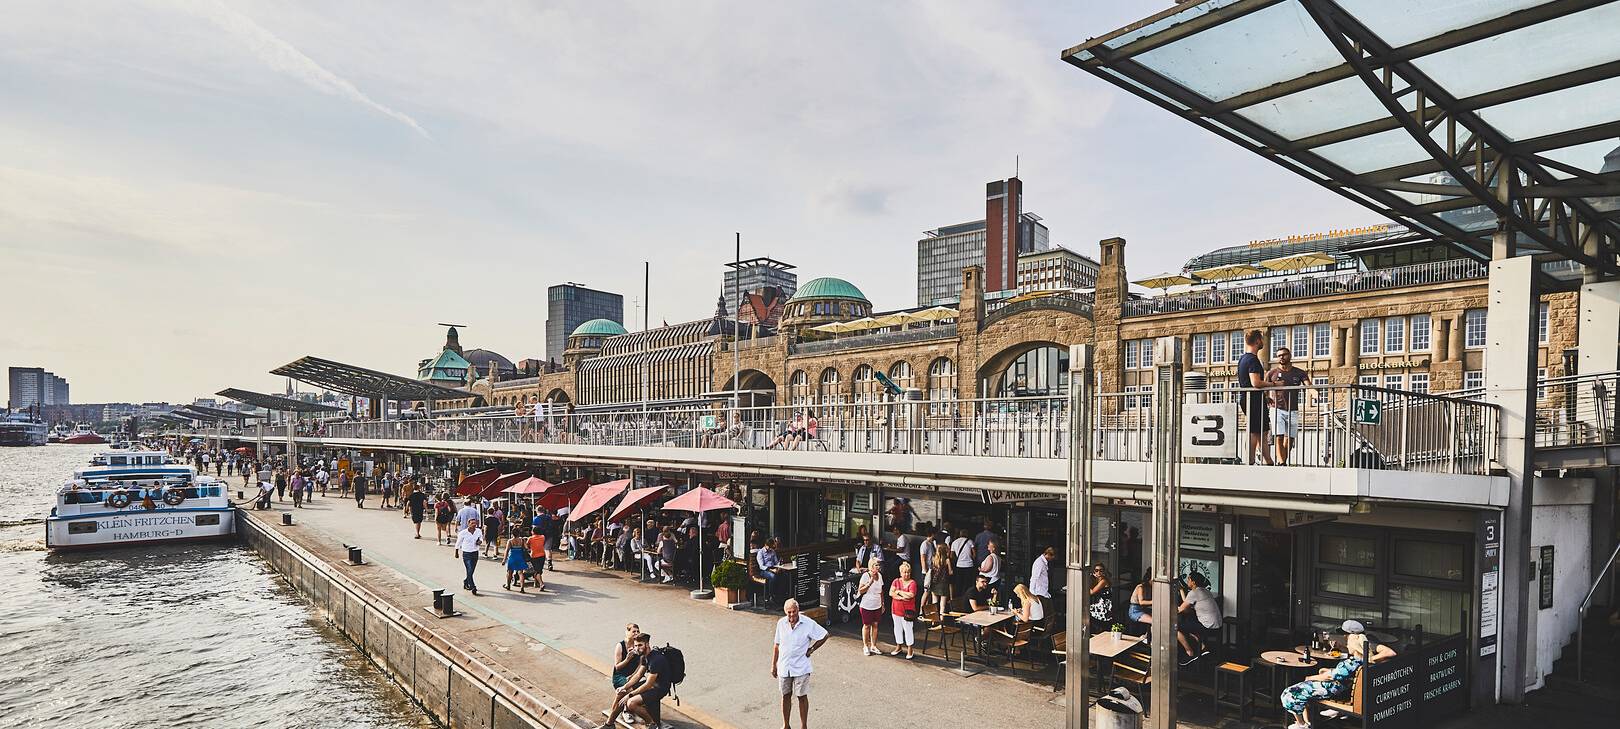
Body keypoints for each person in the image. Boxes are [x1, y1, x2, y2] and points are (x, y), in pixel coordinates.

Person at [1281, 621, 1396, 729]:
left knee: (1290, 693)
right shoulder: (1359, 659)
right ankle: (1307, 723)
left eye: (1347, 640)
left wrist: (1311, 678)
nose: (1345, 641)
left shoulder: (1354, 661)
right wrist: (1329, 670)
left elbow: (1331, 676)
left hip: (1333, 688)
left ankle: (1301, 725)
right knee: (1303, 688)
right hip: (1342, 686)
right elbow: (1340, 673)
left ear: (1353, 641)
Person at [771, 599, 828, 729]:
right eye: (789, 612)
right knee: (785, 695)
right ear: (785, 612)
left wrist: (812, 649)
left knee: (801, 696)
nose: (792, 615)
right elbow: (776, 645)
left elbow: (824, 635)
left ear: (798, 610)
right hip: (784, 666)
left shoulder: (808, 623)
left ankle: (804, 726)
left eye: (794, 612)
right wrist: (773, 665)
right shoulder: (781, 623)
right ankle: (786, 725)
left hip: (801, 667)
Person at [604, 633, 669, 729]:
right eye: (635, 645)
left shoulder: (656, 660)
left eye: (640, 645)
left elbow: (648, 684)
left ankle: (652, 724)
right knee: (622, 693)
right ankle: (609, 724)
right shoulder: (644, 656)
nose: (637, 648)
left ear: (647, 644)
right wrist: (624, 687)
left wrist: (630, 695)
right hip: (651, 685)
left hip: (659, 688)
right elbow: (638, 675)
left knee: (631, 703)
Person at [1238, 329, 1277, 465]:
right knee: (1255, 431)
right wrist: (1274, 384)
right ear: (1257, 341)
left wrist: (1265, 398)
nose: (1263, 342)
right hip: (1253, 400)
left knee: (1262, 431)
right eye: (1262, 339)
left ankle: (1268, 460)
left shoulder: (1243, 358)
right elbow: (1256, 383)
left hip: (1251, 399)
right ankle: (1251, 460)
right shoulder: (1253, 360)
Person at [1267, 346, 1310, 464]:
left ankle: (1282, 462)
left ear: (1290, 355)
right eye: (1279, 355)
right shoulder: (1272, 373)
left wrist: (1314, 392)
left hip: (1293, 409)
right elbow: (1264, 388)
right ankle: (1282, 463)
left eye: (1284, 354)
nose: (1281, 357)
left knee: (1290, 438)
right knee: (1279, 436)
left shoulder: (1299, 372)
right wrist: (1267, 398)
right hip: (1276, 408)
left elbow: (1308, 385)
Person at [1175, 571, 1222, 665]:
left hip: (1208, 627)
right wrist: (1181, 590)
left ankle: (1189, 653)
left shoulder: (1194, 593)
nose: (1187, 581)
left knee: (1175, 627)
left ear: (1193, 582)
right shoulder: (1205, 591)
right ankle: (1203, 648)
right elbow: (1187, 604)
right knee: (1189, 620)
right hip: (1217, 626)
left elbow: (1180, 609)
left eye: (1188, 579)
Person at [888, 562, 919, 659]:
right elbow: (891, 593)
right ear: (900, 572)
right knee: (897, 628)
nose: (907, 574)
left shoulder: (913, 583)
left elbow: (911, 595)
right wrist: (901, 597)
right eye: (905, 572)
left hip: (908, 611)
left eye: (908, 572)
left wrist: (899, 592)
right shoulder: (896, 581)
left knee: (908, 629)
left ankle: (910, 648)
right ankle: (899, 646)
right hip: (896, 609)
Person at [856, 558, 884, 656]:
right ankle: (865, 646)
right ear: (871, 566)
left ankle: (873, 645)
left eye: (878, 565)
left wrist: (883, 604)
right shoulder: (865, 576)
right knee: (867, 625)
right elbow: (860, 591)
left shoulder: (880, 576)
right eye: (876, 565)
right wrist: (869, 583)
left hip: (877, 605)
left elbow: (881, 591)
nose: (878, 567)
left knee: (875, 625)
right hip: (866, 605)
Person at [457, 519, 484, 596]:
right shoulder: (463, 533)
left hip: (475, 552)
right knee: (469, 568)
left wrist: (480, 541)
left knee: (471, 570)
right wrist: (456, 552)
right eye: (472, 523)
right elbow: (458, 542)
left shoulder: (478, 531)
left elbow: (481, 538)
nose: (474, 525)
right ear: (468, 524)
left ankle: (466, 581)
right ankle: (473, 586)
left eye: (475, 523)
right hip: (466, 553)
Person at [610, 623, 642, 690]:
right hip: (620, 676)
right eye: (634, 631)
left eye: (638, 631)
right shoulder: (620, 646)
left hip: (634, 674)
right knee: (633, 687)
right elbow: (617, 667)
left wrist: (633, 675)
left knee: (647, 685)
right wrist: (627, 659)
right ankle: (622, 699)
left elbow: (641, 664)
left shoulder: (639, 645)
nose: (636, 633)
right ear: (627, 632)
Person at [949, 528, 976, 601]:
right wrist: (971, 559)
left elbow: (951, 555)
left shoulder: (954, 542)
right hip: (969, 565)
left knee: (959, 583)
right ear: (967, 534)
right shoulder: (970, 541)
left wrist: (957, 560)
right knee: (967, 583)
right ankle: (966, 597)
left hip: (959, 565)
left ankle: (958, 598)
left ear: (960, 534)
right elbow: (974, 554)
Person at [925, 544, 952, 617]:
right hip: (944, 583)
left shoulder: (934, 559)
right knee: (942, 604)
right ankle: (941, 620)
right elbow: (950, 572)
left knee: (934, 603)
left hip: (935, 583)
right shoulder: (947, 560)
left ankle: (934, 620)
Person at [757, 537, 785, 603]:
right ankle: (771, 595)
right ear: (766, 545)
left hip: (773, 568)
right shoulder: (760, 553)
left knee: (784, 575)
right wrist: (772, 570)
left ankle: (780, 594)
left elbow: (776, 562)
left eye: (771, 547)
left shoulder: (772, 551)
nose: (770, 549)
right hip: (764, 570)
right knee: (773, 576)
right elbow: (761, 566)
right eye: (769, 547)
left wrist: (779, 565)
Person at [1088, 564, 1115, 632]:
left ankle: (1093, 630)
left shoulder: (1103, 581)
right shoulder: (1097, 581)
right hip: (1100, 603)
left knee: (1086, 611)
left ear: (1104, 572)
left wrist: (1086, 581)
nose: (1098, 573)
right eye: (1096, 570)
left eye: (1101, 570)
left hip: (1104, 605)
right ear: (1094, 572)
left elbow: (1092, 592)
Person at [1029, 546, 1054, 614]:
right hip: (1039, 593)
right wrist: (1031, 593)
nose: (1052, 559)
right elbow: (1034, 578)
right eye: (1052, 557)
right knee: (1043, 613)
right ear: (1048, 555)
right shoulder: (1039, 563)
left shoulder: (1044, 562)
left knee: (1047, 613)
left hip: (1043, 592)